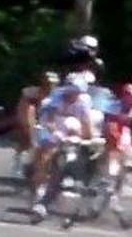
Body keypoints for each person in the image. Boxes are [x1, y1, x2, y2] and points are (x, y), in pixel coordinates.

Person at [29, 76, 95, 223]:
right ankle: (41, 177)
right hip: (51, 125)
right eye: (71, 92)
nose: (73, 96)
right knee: (48, 151)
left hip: (69, 131)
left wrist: (88, 137)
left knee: (73, 154)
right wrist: (54, 132)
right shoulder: (57, 96)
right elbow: (50, 119)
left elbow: (86, 125)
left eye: (77, 93)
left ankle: (62, 180)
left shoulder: (82, 103)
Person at [5, 71, 59, 176]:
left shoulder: (59, 95)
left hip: (51, 121)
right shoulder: (31, 93)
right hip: (34, 119)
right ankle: (18, 161)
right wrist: (27, 123)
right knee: (27, 135)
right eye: (48, 82)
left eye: (53, 83)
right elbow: (23, 109)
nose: (50, 85)